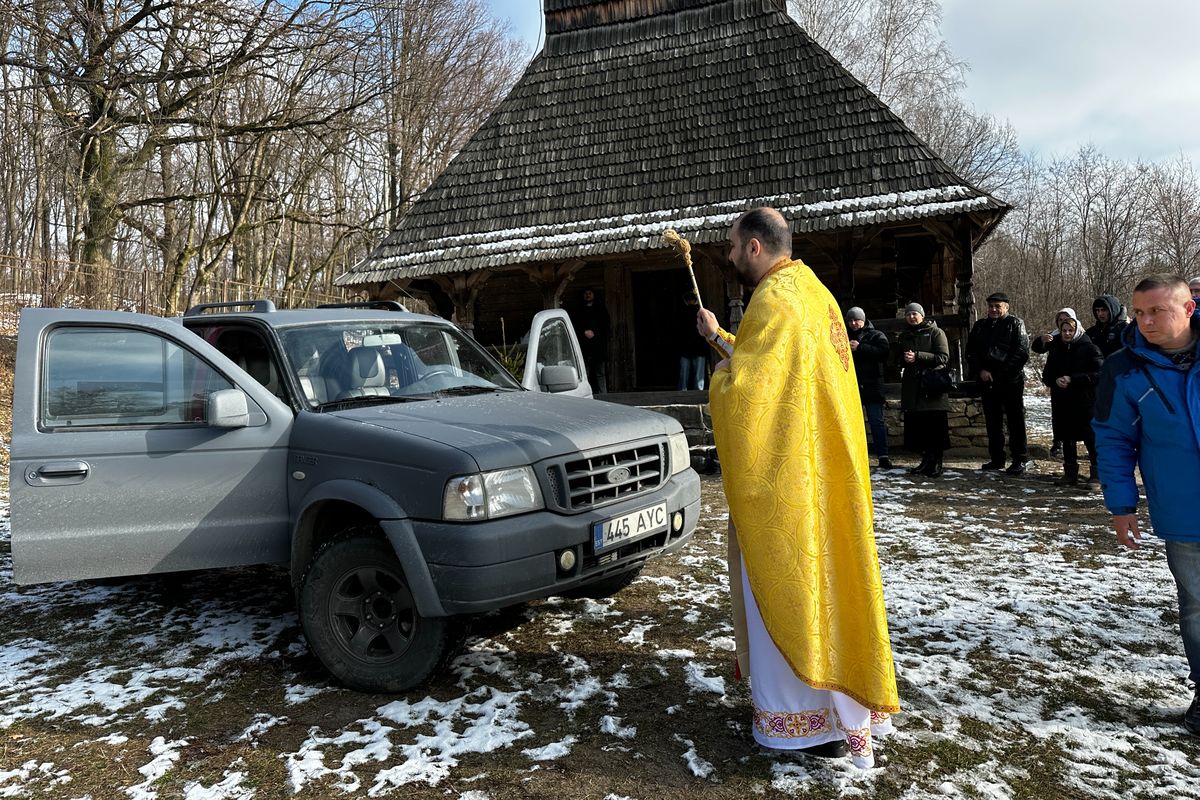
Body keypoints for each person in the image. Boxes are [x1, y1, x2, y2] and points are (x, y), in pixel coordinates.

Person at [696, 208, 898, 768]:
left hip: (786, 483)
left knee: (785, 588)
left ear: (756, 247)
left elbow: (749, 397)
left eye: (734, 247)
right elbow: (777, 372)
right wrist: (720, 339)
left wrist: (717, 377)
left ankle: (798, 727)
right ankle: (840, 714)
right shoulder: (815, 295)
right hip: (825, 475)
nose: (731, 256)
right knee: (830, 588)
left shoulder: (772, 302)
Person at [1093, 273, 1200, 737]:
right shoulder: (1123, 367)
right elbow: (1113, 439)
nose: (1147, 321)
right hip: (1183, 509)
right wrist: (1122, 505)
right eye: (1139, 312)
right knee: (1197, 605)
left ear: (1189, 308)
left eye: (1158, 310)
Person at [966, 292, 1030, 474]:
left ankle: (1020, 459)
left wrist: (999, 373)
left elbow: (1021, 352)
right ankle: (996, 458)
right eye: (991, 306)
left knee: (1015, 421)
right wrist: (981, 371)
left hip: (1011, 381)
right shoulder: (980, 326)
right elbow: (971, 351)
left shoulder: (1015, 324)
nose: (993, 309)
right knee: (993, 422)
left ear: (1006, 307)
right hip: (987, 381)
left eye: (998, 306)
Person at [1040, 312, 1102, 487]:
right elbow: (1047, 375)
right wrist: (1055, 380)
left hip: (1086, 400)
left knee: (1091, 438)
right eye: (1064, 330)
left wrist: (1073, 379)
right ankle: (1070, 473)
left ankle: (1097, 475)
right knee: (1067, 437)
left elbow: (1099, 373)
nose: (1067, 333)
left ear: (1077, 331)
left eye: (1070, 330)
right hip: (1063, 400)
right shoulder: (1056, 349)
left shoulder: (1090, 348)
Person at [894, 302, 950, 478]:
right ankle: (925, 462)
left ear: (922, 316)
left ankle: (937, 464)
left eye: (915, 314)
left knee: (934, 429)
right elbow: (898, 360)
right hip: (913, 389)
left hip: (931, 386)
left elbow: (943, 357)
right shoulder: (904, 336)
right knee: (918, 430)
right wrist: (902, 359)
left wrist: (918, 356)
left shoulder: (936, 332)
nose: (911, 317)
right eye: (908, 314)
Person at [846, 306, 892, 469]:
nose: (853, 323)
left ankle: (883, 456)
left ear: (863, 320)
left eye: (856, 320)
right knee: (853, 424)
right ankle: (856, 457)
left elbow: (884, 352)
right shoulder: (844, 337)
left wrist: (860, 348)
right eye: (850, 320)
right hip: (853, 386)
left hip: (873, 385)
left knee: (876, 422)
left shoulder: (876, 335)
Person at [1031, 308, 1077, 458]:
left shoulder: (1081, 337)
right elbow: (1037, 349)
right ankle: (1058, 443)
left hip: (1076, 382)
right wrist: (1041, 340)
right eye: (1060, 320)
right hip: (1057, 381)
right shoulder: (1054, 336)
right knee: (1058, 414)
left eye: (1066, 319)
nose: (1063, 323)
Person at [572, 287, 610, 394]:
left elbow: (605, 325)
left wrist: (595, 333)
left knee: (600, 372)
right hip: (584, 346)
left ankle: (604, 394)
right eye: (586, 293)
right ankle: (587, 393)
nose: (588, 295)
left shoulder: (600, 308)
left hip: (598, 346)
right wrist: (583, 332)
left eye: (590, 293)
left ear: (594, 295)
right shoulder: (579, 310)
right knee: (585, 372)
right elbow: (575, 325)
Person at [677, 292, 709, 390]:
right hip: (699, 348)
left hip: (685, 348)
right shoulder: (701, 313)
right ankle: (698, 394)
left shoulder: (681, 313)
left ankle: (682, 394)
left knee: (684, 376)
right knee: (698, 378)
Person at [1084, 294, 1129, 359]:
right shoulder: (1091, 332)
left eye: (1103, 310)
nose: (1100, 314)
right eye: (1097, 310)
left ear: (1113, 310)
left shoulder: (1125, 330)